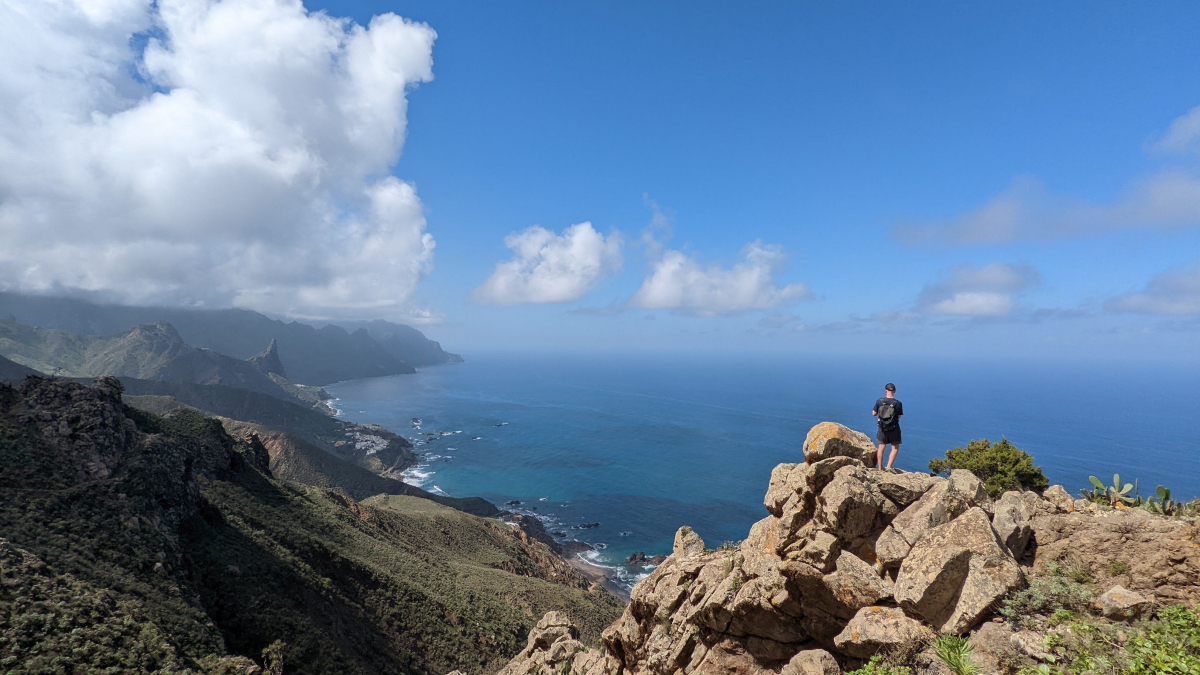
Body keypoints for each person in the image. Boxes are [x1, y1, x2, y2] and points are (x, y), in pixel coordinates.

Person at [871, 383, 903, 470]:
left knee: (881, 446)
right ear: (895, 391)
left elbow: (873, 414)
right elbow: (899, 416)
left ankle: (880, 467)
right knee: (895, 447)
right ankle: (889, 466)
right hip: (894, 427)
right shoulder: (898, 403)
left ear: (886, 390)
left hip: (882, 427)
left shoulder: (879, 401)